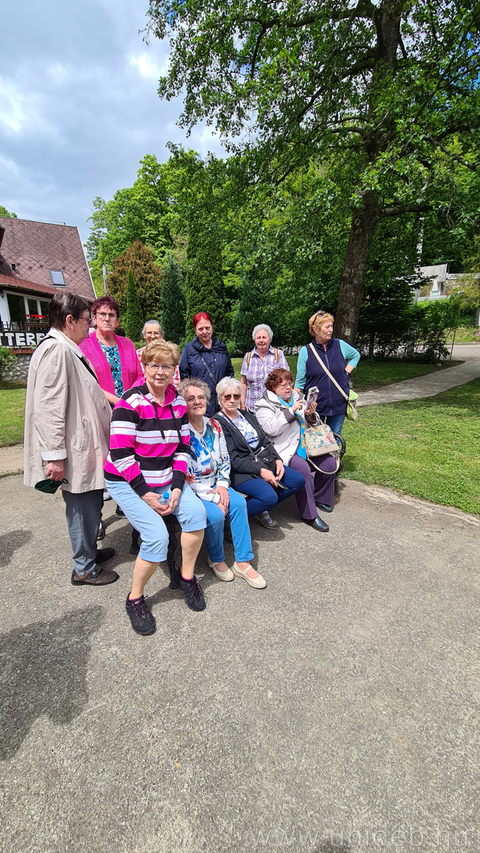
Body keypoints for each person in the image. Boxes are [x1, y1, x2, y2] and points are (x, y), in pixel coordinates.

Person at [104, 340, 207, 635]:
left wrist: (177, 488)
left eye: (166, 366)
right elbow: (121, 455)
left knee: (196, 515)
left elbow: (183, 449)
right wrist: (146, 494)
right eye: (154, 365)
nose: (160, 372)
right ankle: (135, 598)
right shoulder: (129, 403)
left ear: (175, 369)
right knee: (156, 537)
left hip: (164, 477)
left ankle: (186, 578)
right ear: (144, 367)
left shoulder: (178, 403)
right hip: (128, 481)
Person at [24, 292, 118, 586]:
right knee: (81, 507)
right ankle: (84, 569)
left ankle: (89, 552)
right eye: (87, 320)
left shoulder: (66, 348)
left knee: (90, 503)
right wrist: (54, 456)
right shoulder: (57, 351)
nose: (90, 326)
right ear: (69, 320)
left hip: (82, 445)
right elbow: (49, 408)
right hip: (74, 450)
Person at [178, 378, 267, 589]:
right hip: (195, 489)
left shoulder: (215, 425)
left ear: (208, 400)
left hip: (217, 483)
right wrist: (215, 496)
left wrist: (222, 485)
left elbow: (225, 459)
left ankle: (243, 562)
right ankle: (215, 558)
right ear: (183, 403)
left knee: (239, 504)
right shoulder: (181, 431)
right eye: (191, 398)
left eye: (201, 397)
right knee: (216, 514)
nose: (197, 402)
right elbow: (185, 475)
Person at [215, 377, 305, 530]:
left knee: (297, 480)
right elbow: (233, 459)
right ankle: (232, 521)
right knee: (268, 498)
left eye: (236, 396)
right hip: (240, 470)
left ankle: (257, 507)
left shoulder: (246, 415)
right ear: (220, 398)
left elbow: (264, 440)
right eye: (227, 396)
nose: (232, 400)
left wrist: (277, 459)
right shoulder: (218, 422)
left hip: (263, 460)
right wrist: (261, 471)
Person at [255, 368, 337, 531]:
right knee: (302, 469)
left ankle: (320, 497)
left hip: (306, 445)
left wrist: (310, 414)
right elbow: (270, 429)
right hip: (283, 449)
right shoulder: (263, 404)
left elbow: (313, 422)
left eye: (289, 383)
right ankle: (310, 515)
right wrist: (291, 411)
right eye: (283, 385)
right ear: (273, 387)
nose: (288, 388)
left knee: (329, 463)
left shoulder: (298, 397)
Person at [294, 311, 360, 437]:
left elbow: (355, 355)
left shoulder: (339, 345)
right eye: (327, 327)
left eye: (331, 326)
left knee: (335, 437)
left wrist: (347, 371)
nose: (331, 330)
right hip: (315, 407)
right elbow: (300, 380)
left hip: (338, 403)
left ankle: (335, 451)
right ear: (315, 329)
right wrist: (293, 401)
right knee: (316, 439)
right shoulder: (306, 351)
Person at [79, 295, 144, 408]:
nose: (107, 319)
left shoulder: (127, 344)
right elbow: (84, 381)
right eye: (102, 314)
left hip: (129, 407)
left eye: (112, 315)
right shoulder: (84, 345)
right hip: (98, 408)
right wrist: (117, 401)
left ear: (117, 320)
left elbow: (139, 376)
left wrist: (130, 399)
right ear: (94, 318)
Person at [179, 312, 234, 417]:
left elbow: (229, 372)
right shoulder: (189, 350)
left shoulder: (221, 348)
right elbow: (183, 377)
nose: (204, 332)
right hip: (200, 403)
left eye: (207, 328)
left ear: (212, 327)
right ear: (195, 329)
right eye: (200, 329)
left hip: (221, 403)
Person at [240, 324, 289, 411]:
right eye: (258, 338)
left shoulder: (278, 355)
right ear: (254, 339)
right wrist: (242, 404)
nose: (261, 340)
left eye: (264, 337)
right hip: (252, 407)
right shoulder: (248, 357)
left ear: (269, 339)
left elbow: (286, 379)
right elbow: (243, 382)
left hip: (274, 407)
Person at [137, 320, 180, 387]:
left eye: (156, 333)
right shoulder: (137, 354)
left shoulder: (170, 353)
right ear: (144, 335)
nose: (152, 336)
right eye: (149, 333)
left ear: (162, 335)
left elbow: (176, 380)